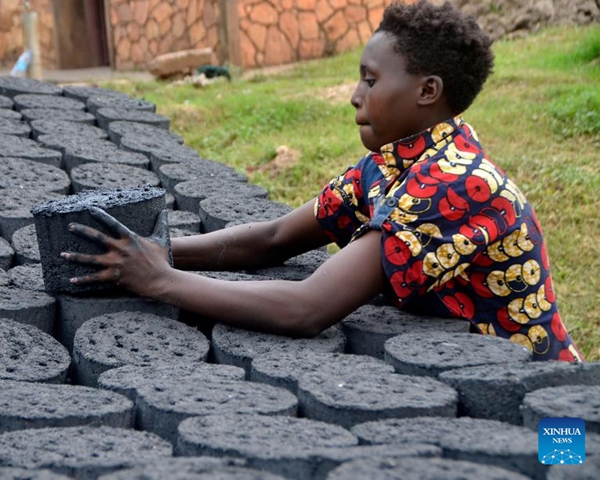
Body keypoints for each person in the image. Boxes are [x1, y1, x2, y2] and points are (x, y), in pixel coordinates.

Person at [61, 0, 584, 362]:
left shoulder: (455, 182)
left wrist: (160, 280)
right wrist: (151, 249)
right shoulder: (387, 166)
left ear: (428, 91)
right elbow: (273, 239)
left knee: (564, 467)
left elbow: (308, 309)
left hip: (538, 398)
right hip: (461, 364)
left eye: (371, 80)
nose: (355, 95)